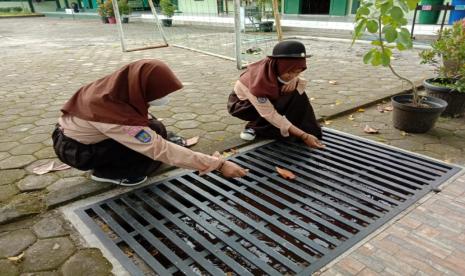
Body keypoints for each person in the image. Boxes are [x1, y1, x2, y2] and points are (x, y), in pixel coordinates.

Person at [52, 59, 248, 186]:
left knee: (156, 129)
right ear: (142, 87)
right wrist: (219, 165)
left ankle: (123, 162)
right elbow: (159, 149)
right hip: (78, 150)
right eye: (160, 93)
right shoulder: (112, 114)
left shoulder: (115, 88)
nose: (164, 97)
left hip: (85, 136)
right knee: (152, 149)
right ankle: (109, 173)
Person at [227, 40, 324, 149]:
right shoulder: (258, 82)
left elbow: (300, 86)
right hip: (244, 105)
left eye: (297, 72)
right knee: (271, 108)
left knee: (297, 93)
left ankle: (300, 125)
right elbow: (269, 113)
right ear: (280, 66)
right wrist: (303, 136)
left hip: (268, 100)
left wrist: (295, 79)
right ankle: (255, 127)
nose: (292, 75)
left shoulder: (278, 70)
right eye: (289, 72)